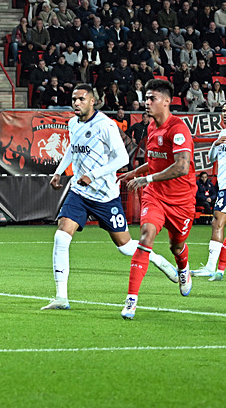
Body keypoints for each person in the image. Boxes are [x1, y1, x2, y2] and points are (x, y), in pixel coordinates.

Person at [42, 84, 178, 310]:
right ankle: (61, 297)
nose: (76, 103)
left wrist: (93, 175)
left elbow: (122, 159)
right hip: (79, 192)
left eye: (81, 99)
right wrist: (59, 171)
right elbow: (71, 149)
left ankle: (157, 259)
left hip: (105, 196)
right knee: (61, 237)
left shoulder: (106, 125)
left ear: (92, 101)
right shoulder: (73, 123)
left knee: (124, 246)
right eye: (74, 99)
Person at [118, 79, 196, 320]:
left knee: (176, 245)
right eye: (146, 98)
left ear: (166, 101)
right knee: (145, 237)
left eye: (152, 98)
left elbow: (182, 167)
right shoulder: (151, 127)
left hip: (181, 201)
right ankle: (131, 301)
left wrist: (148, 178)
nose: (146, 102)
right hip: (156, 197)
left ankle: (183, 267)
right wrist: (135, 173)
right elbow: (153, 161)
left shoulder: (178, 129)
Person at [192, 119, 226, 280]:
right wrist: (215, 144)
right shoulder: (222, 134)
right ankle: (212, 267)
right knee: (217, 222)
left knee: (217, 222)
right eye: (224, 112)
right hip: (223, 187)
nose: (225, 115)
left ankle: (213, 267)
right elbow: (212, 158)